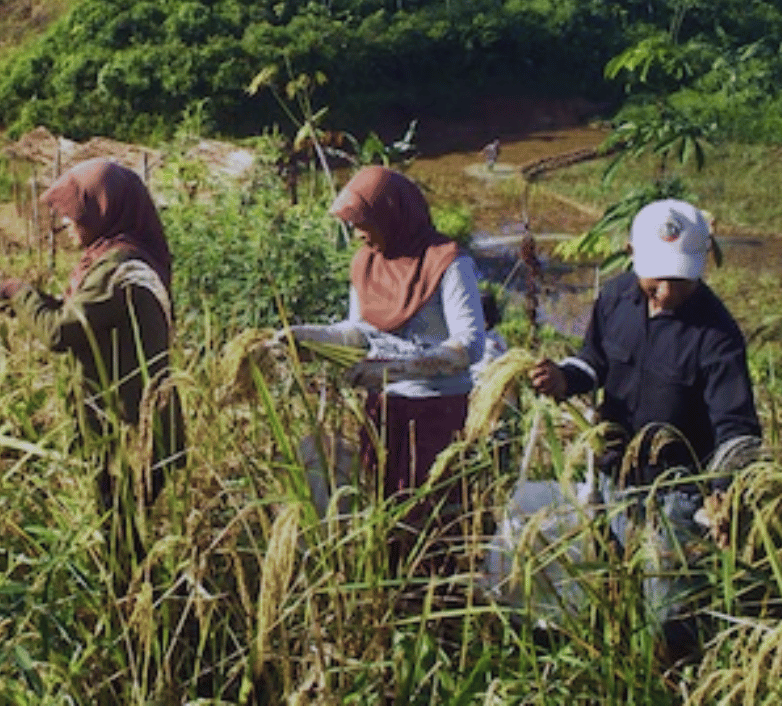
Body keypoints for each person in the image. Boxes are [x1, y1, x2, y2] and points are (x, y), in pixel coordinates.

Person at [527, 198, 762, 661]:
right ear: (631, 253)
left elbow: (735, 427)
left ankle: (673, 678)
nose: (667, 292)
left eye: (680, 279)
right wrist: (563, 379)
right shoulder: (615, 298)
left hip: (677, 492)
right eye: (658, 278)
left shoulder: (717, 335)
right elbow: (593, 362)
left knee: (669, 613)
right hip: (613, 477)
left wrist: (722, 494)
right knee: (611, 586)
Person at [0, 158, 186, 581]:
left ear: (104, 210)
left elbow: (61, 332)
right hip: (135, 428)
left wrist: (17, 292)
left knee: (127, 549)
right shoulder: (123, 258)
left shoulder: (117, 268)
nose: (66, 224)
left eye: (74, 214)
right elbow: (83, 317)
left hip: (129, 434)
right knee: (133, 542)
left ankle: (139, 619)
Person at [287, 166, 486, 513]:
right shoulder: (366, 264)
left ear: (392, 214)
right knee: (384, 510)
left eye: (365, 222)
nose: (359, 234)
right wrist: (306, 336)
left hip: (436, 412)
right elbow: (359, 333)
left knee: (431, 516)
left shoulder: (448, 262)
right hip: (381, 411)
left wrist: (395, 371)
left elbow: (469, 344)